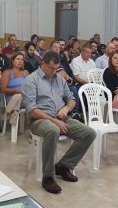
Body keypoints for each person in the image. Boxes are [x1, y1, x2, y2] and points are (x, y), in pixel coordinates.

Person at [22, 51, 96, 194]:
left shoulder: (59, 79)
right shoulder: (31, 80)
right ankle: (48, 176)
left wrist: (66, 108)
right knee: (52, 130)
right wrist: (54, 121)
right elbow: (31, 110)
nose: (53, 72)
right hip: (40, 119)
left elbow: (72, 98)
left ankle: (63, 165)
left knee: (89, 133)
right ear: (43, 64)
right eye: (51, 68)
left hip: (61, 117)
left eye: (56, 69)